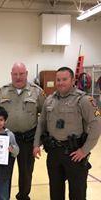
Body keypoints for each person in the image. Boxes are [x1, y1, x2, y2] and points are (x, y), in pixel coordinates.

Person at [33, 67, 101, 200]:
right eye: (58, 80)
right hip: (54, 153)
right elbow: (41, 123)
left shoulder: (84, 100)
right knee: (55, 191)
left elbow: (96, 125)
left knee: (77, 192)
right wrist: (36, 144)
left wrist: (84, 150)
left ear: (73, 80)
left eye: (64, 79)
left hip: (75, 154)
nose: (60, 83)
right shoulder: (50, 100)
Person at [0, 62, 45, 200]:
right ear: (11, 75)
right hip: (6, 139)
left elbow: (45, 117)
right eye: (15, 74)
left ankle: (23, 196)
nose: (18, 77)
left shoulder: (37, 92)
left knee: (26, 173)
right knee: (3, 172)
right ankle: (3, 197)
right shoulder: (3, 91)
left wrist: (39, 142)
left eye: (21, 74)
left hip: (28, 139)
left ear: (26, 73)